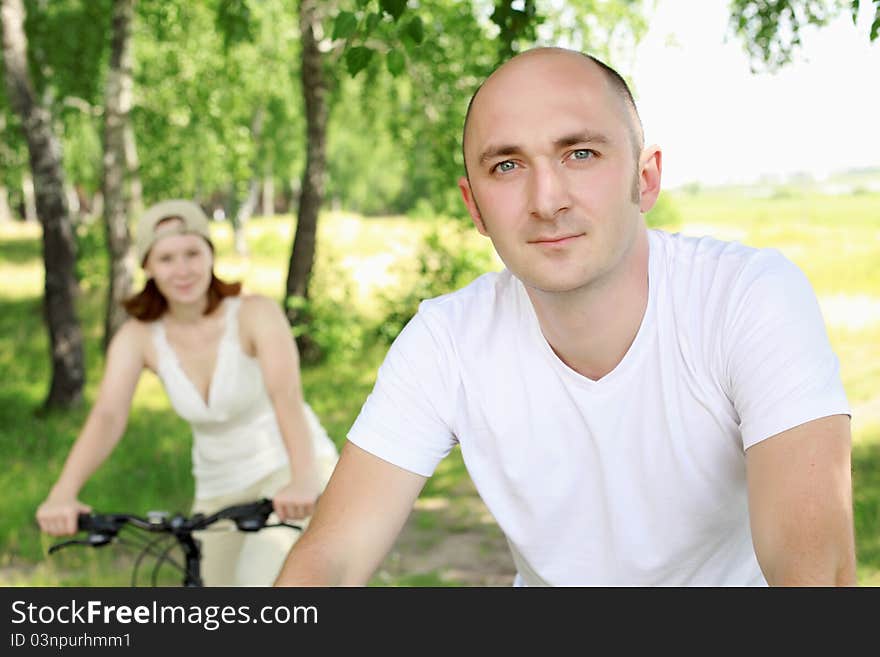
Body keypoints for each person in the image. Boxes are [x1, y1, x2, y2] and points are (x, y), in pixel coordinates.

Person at [274, 47, 856, 587]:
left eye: (581, 154)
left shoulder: (746, 297)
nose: (547, 199)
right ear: (473, 205)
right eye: (506, 165)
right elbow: (333, 554)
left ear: (645, 177)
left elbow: (816, 572)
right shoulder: (447, 340)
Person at [36, 199, 338, 586]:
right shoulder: (139, 337)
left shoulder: (255, 314)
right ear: (147, 266)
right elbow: (108, 416)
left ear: (210, 255)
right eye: (166, 258)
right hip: (217, 487)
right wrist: (64, 492)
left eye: (192, 253)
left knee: (260, 584)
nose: (182, 270)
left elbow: (287, 398)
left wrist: (303, 480)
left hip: (288, 469)